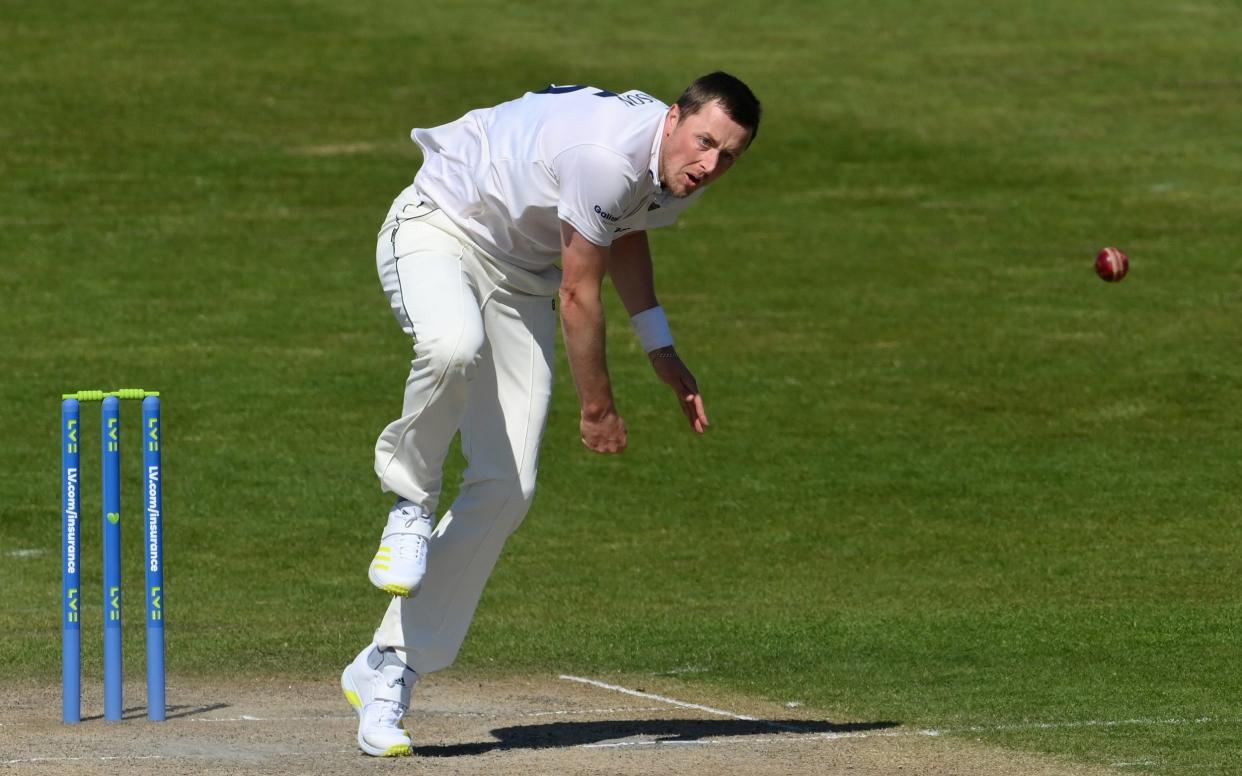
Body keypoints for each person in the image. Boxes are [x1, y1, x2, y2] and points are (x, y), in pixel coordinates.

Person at [340, 72, 761, 757]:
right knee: (452, 346)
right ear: (674, 117)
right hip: (439, 225)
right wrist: (597, 408)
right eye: (706, 141)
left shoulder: (675, 169)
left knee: (509, 490)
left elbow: (623, 227)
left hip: (518, 277)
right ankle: (409, 505)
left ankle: (388, 668)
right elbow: (577, 295)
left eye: (729, 156)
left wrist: (660, 346)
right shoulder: (606, 155)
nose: (711, 164)